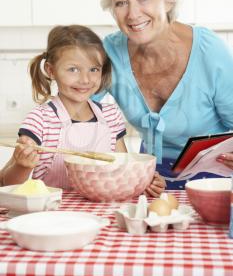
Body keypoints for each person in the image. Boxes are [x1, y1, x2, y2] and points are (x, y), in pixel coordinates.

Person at [94, 0, 233, 189]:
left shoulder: (209, 51)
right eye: (120, 2)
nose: (133, 14)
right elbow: (74, 111)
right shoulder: (109, 53)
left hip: (215, 184)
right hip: (148, 181)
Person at [0, 25, 165, 195]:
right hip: (51, 215)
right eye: (73, 69)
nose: (85, 79)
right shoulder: (40, 120)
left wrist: (144, 181)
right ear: (51, 71)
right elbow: (5, 183)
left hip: (102, 212)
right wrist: (21, 165)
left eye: (93, 69)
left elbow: (122, 171)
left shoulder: (110, 116)